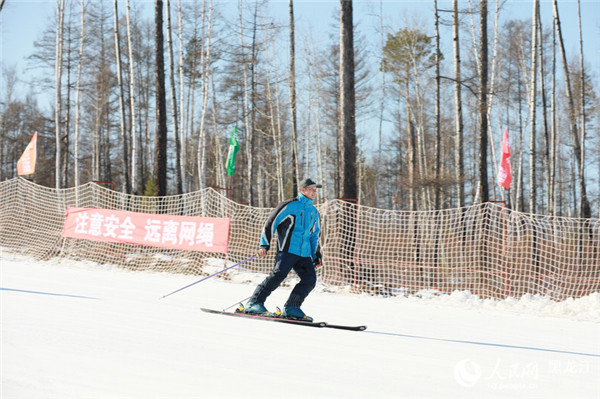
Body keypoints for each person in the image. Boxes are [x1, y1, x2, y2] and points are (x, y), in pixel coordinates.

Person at [244, 178, 323, 321]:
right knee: (277, 276)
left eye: (315, 190)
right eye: (311, 189)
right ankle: (254, 302)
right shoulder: (289, 206)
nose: (314, 192)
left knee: (310, 280)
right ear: (303, 190)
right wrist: (264, 245)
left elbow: (314, 235)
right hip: (286, 250)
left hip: (304, 254)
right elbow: (270, 223)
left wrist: (316, 255)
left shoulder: (314, 212)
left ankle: (292, 307)